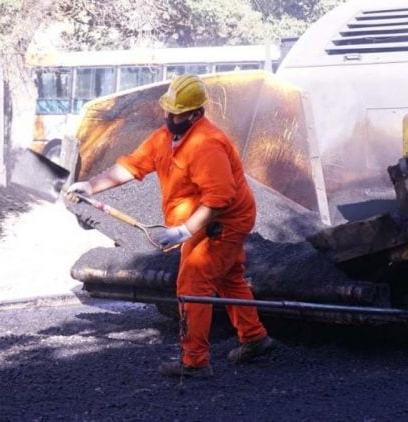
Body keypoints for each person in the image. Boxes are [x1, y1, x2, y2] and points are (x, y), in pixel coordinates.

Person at [66, 74, 276, 378]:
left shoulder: (207, 145)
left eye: (177, 113)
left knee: (192, 284)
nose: (170, 116)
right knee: (229, 277)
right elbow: (132, 165)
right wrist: (91, 185)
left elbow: (218, 200)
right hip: (200, 218)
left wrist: (184, 231)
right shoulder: (164, 138)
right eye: (168, 110)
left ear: (196, 113)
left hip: (225, 221)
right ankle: (255, 338)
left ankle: (195, 362)